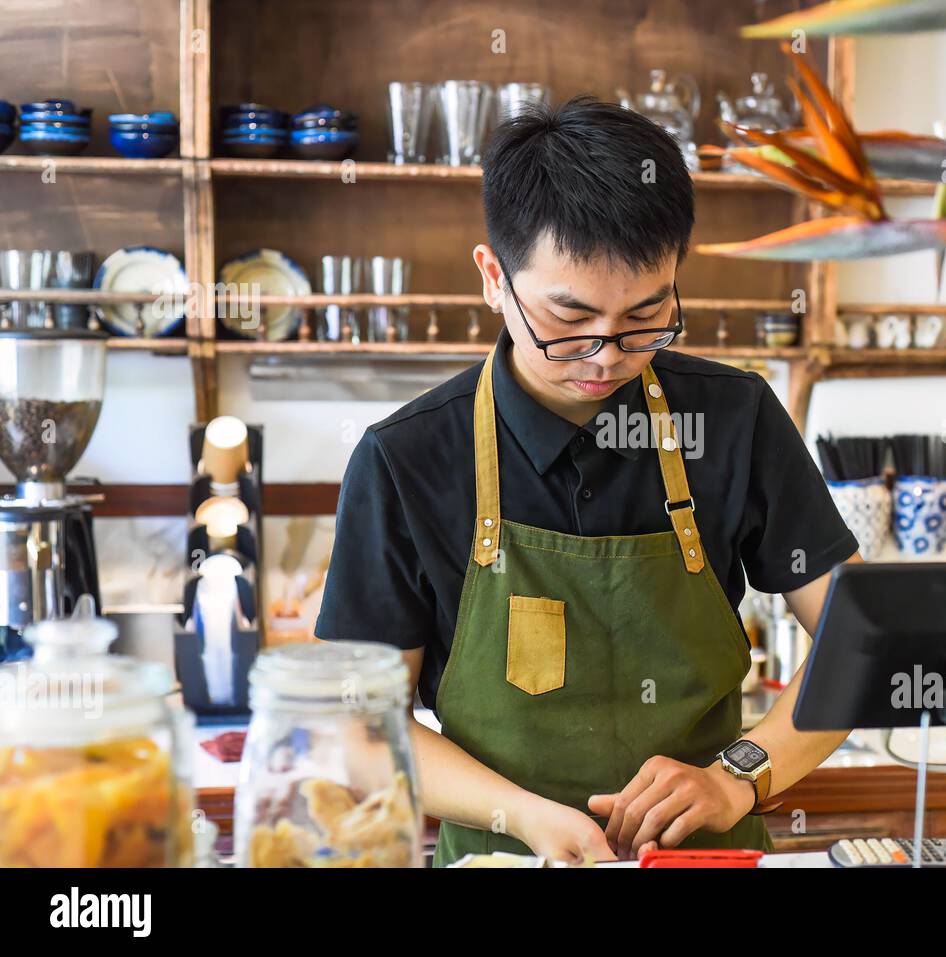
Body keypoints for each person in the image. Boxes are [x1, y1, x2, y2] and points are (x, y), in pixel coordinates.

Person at [315, 97, 858, 865]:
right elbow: (360, 727)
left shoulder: (735, 418)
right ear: (493, 278)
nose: (606, 355)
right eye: (568, 319)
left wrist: (738, 777)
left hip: (706, 855)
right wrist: (525, 815)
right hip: (503, 857)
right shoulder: (406, 460)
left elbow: (863, 634)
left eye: (646, 315)